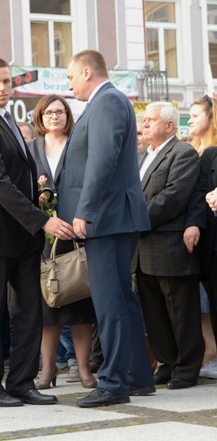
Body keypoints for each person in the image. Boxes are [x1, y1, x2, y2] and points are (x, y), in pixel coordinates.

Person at [0, 57, 74, 408]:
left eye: (7, 81)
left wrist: (38, 194)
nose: (2, 88)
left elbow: (18, 173)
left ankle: (22, 383)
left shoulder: (10, 119)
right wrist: (42, 220)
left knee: (28, 311)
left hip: (22, 234)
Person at [58, 49, 154, 408]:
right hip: (112, 217)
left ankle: (114, 383)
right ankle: (138, 376)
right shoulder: (107, 102)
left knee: (109, 300)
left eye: (70, 77)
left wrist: (86, 210)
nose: (69, 85)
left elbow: (102, 159)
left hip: (108, 218)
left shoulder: (107, 101)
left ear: (86, 72)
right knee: (121, 299)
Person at [27, 94, 97, 390]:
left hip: (77, 232)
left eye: (60, 112)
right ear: (40, 118)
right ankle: (47, 371)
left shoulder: (79, 145)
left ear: (68, 116)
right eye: (48, 113)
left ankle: (83, 369)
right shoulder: (30, 150)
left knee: (79, 306)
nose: (54, 117)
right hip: (42, 237)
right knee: (47, 310)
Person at [132, 102, 202, 389]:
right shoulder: (138, 157)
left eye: (151, 120)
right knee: (154, 312)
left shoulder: (182, 153)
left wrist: (134, 218)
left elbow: (174, 196)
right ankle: (166, 363)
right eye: (144, 120)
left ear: (170, 126)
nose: (145, 124)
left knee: (180, 311)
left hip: (170, 245)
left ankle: (186, 368)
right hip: (141, 249)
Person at [190, 94, 217, 378]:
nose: (190, 119)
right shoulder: (196, 149)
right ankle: (209, 348)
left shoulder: (212, 152)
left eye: (196, 114)